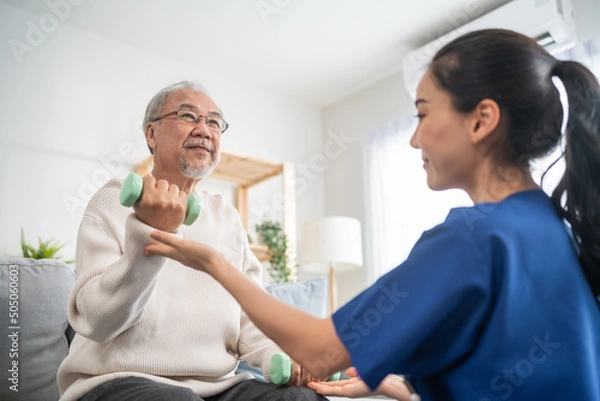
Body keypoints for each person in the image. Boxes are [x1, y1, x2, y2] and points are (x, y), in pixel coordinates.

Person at [144, 29, 600, 401]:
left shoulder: (472, 239)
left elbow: (321, 351)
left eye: (422, 115)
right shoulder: (554, 225)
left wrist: (215, 264)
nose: (414, 139)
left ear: (482, 120)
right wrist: (390, 381)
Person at [57, 81, 325, 401]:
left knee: (300, 399)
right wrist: (150, 232)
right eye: (187, 116)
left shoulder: (226, 217)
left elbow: (248, 319)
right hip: (116, 380)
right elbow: (97, 321)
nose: (204, 129)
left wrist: (277, 357)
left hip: (216, 386)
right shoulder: (113, 201)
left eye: (213, 121)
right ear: (151, 135)